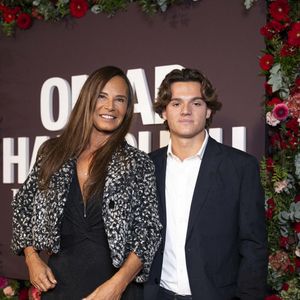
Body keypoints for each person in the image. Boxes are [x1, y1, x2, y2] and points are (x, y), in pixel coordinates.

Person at [11, 66, 162, 300]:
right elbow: (22, 206)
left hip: (116, 291)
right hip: (59, 287)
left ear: (127, 109)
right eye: (102, 96)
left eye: (119, 99)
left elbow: (149, 232)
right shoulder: (53, 153)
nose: (110, 106)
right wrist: (32, 258)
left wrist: (117, 286)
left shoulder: (137, 163)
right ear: (87, 99)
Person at [144, 68, 268, 300]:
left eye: (196, 103)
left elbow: (253, 246)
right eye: (176, 104)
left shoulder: (240, 167)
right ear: (163, 112)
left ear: (209, 109)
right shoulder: (147, 167)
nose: (186, 111)